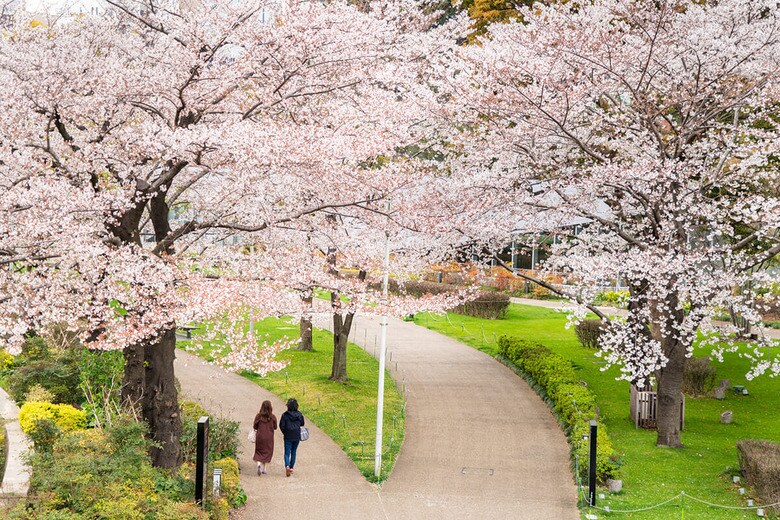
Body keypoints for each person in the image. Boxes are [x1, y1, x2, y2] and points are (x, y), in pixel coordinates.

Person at [279, 397, 305, 477]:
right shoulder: (299, 414)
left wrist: (285, 432)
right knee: (294, 451)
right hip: (296, 435)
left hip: (288, 436)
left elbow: (281, 426)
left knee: (287, 452)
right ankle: (291, 467)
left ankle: (287, 465)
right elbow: (302, 423)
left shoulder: (285, 415)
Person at [253, 400, 277, 476]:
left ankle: (258, 463)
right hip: (269, 437)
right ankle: (264, 469)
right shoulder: (272, 417)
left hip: (260, 436)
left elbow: (255, 426)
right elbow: (275, 427)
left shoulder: (258, 416)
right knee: (268, 451)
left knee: (259, 451)